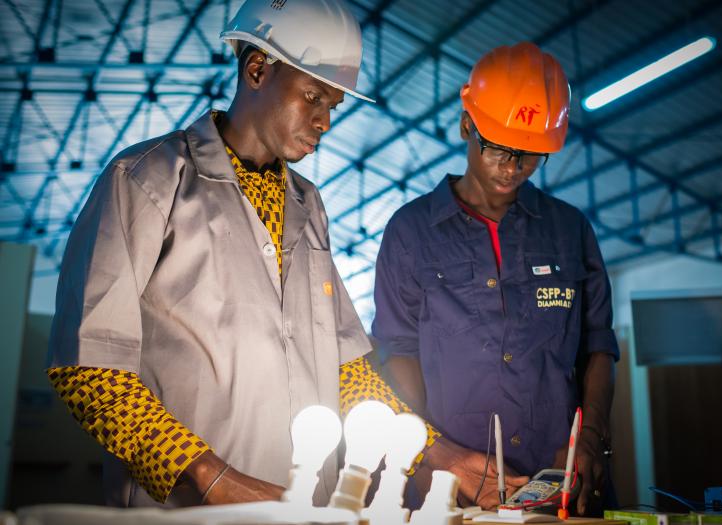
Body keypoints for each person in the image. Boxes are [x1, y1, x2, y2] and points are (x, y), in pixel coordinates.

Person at [46, 0, 437, 508]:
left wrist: (432, 449)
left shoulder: (308, 205)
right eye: (313, 97)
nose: (324, 120)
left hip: (306, 507)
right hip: (186, 511)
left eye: (333, 105)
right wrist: (212, 477)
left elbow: (347, 370)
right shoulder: (147, 179)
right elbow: (89, 366)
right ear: (257, 70)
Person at [372, 42, 619, 516]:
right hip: (450, 490)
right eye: (498, 148)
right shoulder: (411, 232)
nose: (512, 167)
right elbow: (397, 351)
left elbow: (598, 346)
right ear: (468, 124)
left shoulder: (570, 231)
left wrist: (589, 439)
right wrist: (430, 454)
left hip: (563, 484)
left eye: (529, 155)